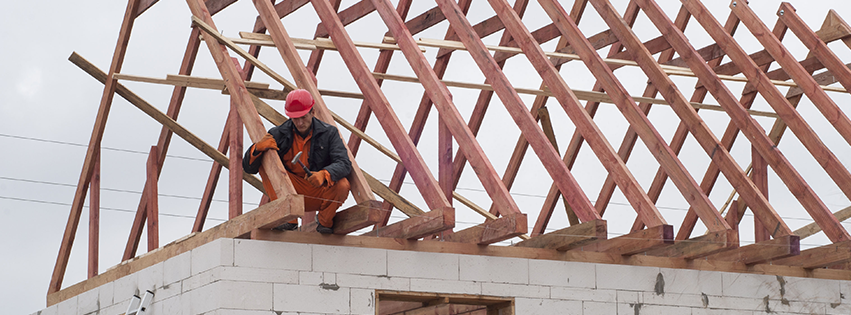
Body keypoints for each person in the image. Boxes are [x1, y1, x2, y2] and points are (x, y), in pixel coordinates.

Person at [243, 89, 351, 234]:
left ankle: (325, 222)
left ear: (312, 112)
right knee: (265, 165)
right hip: (289, 192)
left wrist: (324, 174)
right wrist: (256, 149)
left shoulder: (329, 133)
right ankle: (289, 219)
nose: (300, 123)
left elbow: (344, 163)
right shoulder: (278, 134)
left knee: (343, 184)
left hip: (317, 191)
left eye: (303, 117)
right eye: (295, 118)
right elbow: (248, 168)